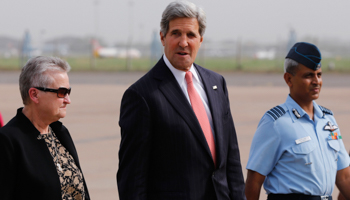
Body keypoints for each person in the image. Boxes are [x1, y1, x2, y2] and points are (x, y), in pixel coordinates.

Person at [117, 1, 245, 199]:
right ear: (163, 37)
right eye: (176, 33)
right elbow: (132, 178)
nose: (183, 42)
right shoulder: (142, 95)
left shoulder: (217, 83)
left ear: (201, 40)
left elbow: (232, 160)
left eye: (191, 35)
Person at [245, 42, 350, 200]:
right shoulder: (275, 123)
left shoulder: (328, 121)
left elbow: (344, 178)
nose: (316, 81)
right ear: (289, 79)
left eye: (319, 75)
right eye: (308, 76)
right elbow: (254, 181)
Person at [0, 56, 90, 200]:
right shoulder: (8, 141)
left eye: (68, 91)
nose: (68, 100)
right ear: (34, 94)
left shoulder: (60, 132)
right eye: (61, 92)